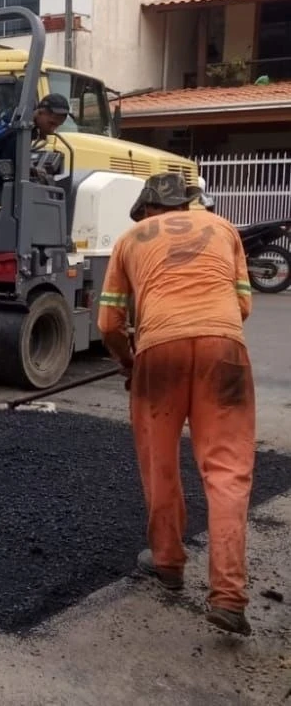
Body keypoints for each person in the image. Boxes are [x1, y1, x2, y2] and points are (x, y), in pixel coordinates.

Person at [97, 172, 255, 636]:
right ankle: (228, 596)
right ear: (188, 204)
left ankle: (167, 563)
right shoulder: (224, 229)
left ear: (146, 209)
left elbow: (108, 322)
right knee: (227, 472)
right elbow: (243, 306)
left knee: (159, 461)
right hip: (224, 351)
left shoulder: (130, 238)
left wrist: (129, 361)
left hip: (157, 354)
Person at [0, 93, 71, 178]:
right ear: (40, 112)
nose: (52, 130)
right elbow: (15, 166)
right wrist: (32, 170)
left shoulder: (15, 116)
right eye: (51, 123)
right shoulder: (20, 129)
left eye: (57, 126)